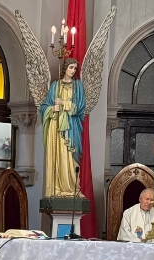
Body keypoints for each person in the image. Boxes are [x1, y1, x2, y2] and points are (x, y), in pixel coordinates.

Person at [40, 58, 86, 198]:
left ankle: (72, 189)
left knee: (70, 157)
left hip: (71, 127)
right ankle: (56, 189)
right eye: (70, 67)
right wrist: (52, 108)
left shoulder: (78, 86)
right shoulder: (55, 85)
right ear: (65, 68)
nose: (72, 71)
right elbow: (44, 107)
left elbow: (80, 107)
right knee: (57, 156)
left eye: (74, 68)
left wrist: (63, 103)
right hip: (56, 127)